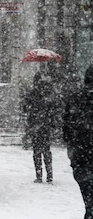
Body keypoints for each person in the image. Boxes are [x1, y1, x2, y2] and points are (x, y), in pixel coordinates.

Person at [64, 64, 93, 219]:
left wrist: (73, 152)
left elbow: (66, 128)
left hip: (81, 157)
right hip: (82, 154)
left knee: (89, 202)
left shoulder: (75, 98)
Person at [22, 71, 56, 183]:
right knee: (46, 150)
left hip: (35, 126)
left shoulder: (31, 93)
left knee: (36, 151)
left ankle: (39, 175)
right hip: (45, 126)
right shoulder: (48, 93)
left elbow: (25, 108)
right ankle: (50, 174)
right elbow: (53, 109)